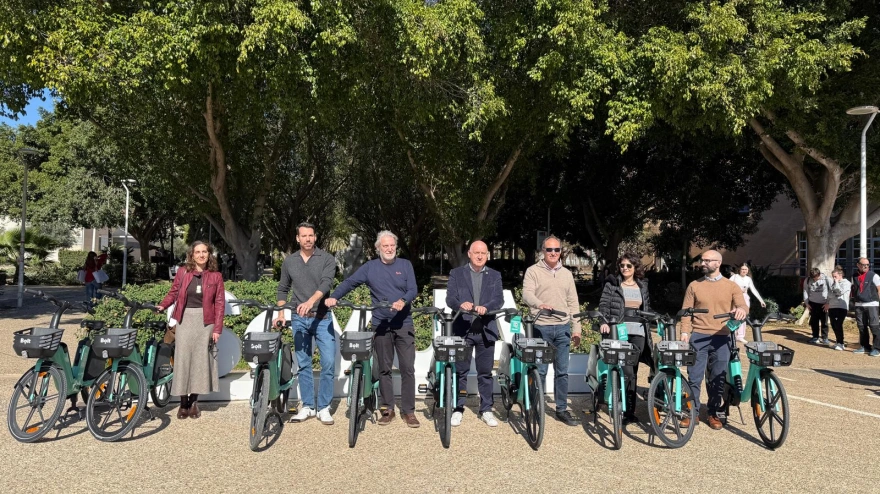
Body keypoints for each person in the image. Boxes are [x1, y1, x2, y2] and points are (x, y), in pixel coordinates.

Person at [325, 231, 420, 428]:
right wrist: (334, 296)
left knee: (407, 368)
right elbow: (350, 282)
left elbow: (413, 289)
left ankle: (409, 411)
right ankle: (388, 409)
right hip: (381, 324)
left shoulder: (405, 265)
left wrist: (403, 301)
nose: (389, 249)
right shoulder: (370, 268)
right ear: (378, 248)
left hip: (404, 324)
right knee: (384, 368)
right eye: (385, 246)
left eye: (392, 245)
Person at [274, 222, 337, 424]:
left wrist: (310, 301)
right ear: (297, 238)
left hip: (322, 318)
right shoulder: (290, 261)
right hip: (299, 319)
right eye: (304, 236)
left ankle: (324, 407)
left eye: (311, 235)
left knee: (328, 363)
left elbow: (326, 283)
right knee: (303, 364)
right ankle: (308, 406)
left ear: (315, 237)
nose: (308, 239)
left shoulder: (326, 258)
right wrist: (281, 314)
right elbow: (282, 289)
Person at [156, 241, 225, 420]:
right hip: (185, 319)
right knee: (183, 360)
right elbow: (174, 292)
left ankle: (194, 402)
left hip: (206, 322)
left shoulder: (216, 276)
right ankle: (183, 402)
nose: (201, 255)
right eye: (198, 252)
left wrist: (217, 329)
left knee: (200, 362)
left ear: (209, 254)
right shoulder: (183, 272)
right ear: (192, 255)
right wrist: (163, 305)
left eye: (204, 252)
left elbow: (219, 303)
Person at [679, 250, 747, 430]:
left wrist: (741, 310)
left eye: (708, 260)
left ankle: (713, 412)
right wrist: (684, 332)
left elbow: (742, 305)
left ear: (718, 263)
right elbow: (686, 311)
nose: (703, 263)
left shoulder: (731, 286)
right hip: (698, 336)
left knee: (718, 377)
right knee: (694, 377)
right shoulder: (694, 285)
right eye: (702, 260)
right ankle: (692, 412)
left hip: (722, 337)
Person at [522, 235, 582, 426]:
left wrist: (577, 328)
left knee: (562, 372)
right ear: (543, 251)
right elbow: (526, 294)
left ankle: (561, 409)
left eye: (557, 249)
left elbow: (573, 302)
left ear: (560, 251)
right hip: (541, 327)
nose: (553, 253)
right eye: (549, 249)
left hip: (563, 328)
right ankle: (535, 408)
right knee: (540, 371)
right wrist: (539, 304)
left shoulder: (566, 274)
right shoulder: (533, 271)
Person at [445, 240, 503, 428]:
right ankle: (458, 408)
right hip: (463, 329)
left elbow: (499, 300)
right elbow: (450, 298)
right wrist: (460, 305)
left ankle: (486, 409)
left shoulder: (495, 275)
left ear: (487, 255)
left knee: (485, 373)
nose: (480, 256)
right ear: (469, 254)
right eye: (476, 252)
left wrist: (487, 307)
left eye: (483, 253)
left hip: (486, 329)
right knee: (460, 372)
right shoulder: (456, 274)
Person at [598, 252, 654, 425]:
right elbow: (603, 305)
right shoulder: (612, 284)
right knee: (626, 369)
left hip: (639, 332)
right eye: (622, 265)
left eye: (629, 265)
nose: (625, 268)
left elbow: (647, 308)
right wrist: (603, 321)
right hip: (619, 330)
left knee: (632, 371)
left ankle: (630, 411)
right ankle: (619, 405)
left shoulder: (642, 286)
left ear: (635, 267)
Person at [729, 263, 766, 343]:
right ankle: (732, 334)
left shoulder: (748, 279)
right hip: (735, 298)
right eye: (743, 269)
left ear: (748, 270)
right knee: (734, 316)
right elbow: (727, 286)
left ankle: (740, 336)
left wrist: (761, 300)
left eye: (746, 269)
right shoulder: (734, 277)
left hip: (745, 298)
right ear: (739, 269)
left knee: (743, 316)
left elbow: (753, 290)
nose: (744, 271)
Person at [852, 257, 880, 356]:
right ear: (858, 265)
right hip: (859, 304)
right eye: (864, 265)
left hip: (872, 304)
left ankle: (877, 348)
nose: (866, 266)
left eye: (867, 265)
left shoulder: (874, 276)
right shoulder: (854, 276)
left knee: (874, 326)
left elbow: (879, 289)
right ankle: (865, 346)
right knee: (861, 326)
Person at [824, 265, 851, 351]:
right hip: (832, 306)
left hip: (841, 307)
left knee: (838, 324)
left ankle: (841, 343)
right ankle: (837, 341)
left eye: (835, 276)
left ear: (840, 275)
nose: (833, 278)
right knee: (833, 324)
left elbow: (839, 292)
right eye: (833, 276)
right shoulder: (833, 283)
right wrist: (827, 303)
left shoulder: (846, 283)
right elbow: (830, 295)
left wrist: (836, 283)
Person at [803, 267, 830, 344]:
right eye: (813, 278)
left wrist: (828, 303)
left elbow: (831, 291)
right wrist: (806, 303)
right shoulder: (807, 280)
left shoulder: (826, 279)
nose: (814, 279)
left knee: (824, 322)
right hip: (812, 303)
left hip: (823, 304)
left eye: (816, 277)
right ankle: (815, 337)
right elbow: (805, 291)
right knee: (814, 321)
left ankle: (825, 338)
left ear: (819, 274)